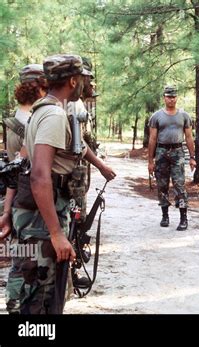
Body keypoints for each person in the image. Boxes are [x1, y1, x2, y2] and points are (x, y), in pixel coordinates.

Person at [11, 54, 116, 314]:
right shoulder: (54, 115)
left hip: (44, 218)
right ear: (72, 80)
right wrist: (56, 234)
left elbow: (71, 150)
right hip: (42, 224)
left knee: (47, 293)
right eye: (81, 78)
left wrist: (100, 166)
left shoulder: (47, 110)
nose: (82, 84)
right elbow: (39, 175)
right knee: (41, 297)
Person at [0, 64, 47, 314]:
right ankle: (24, 303)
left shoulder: (11, 120)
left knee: (21, 249)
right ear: (41, 85)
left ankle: (13, 297)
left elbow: (11, 165)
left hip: (17, 193)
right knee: (35, 256)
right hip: (35, 193)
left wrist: (6, 209)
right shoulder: (37, 118)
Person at [148, 85, 196, 231]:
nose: (171, 99)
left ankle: (183, 218)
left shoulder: (184, 116)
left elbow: (189, 137)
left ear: (177, 98)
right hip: (161, 152)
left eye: (174, 96)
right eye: (169, 96)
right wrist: (150, 161)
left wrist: (192, 157)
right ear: (164, 97)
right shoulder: (156, 116)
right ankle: (165, 216)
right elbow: (152, 139)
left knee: (179, 185)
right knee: (162, 185)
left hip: (177, 152)